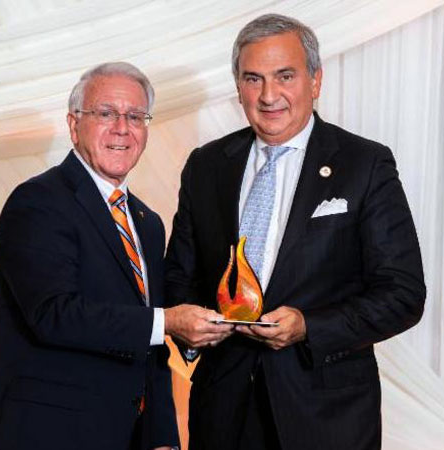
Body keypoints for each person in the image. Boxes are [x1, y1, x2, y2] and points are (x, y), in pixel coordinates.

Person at [165, 14, 426, 450]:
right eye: (253, 79)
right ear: (238, 87)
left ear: (315, 80)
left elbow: (402, 294)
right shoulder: (206, 166)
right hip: (223, 411)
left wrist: (309, 326)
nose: (269, 96)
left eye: (285, 76)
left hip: (326, 415)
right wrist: (190, 332)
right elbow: (178, 277)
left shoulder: (364, 164)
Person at [0, 62, 230, 450]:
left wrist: (163, 436)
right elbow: (54, 314)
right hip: (46, 435)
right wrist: (169, 321)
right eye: (106, 114)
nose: (122, 128)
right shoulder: (37, 203)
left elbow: (151, 341)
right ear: (74, 125)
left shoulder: (148, 222)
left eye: (136, 116)